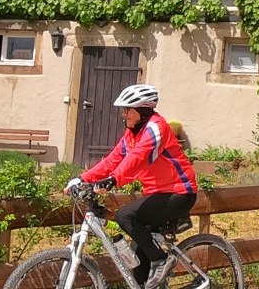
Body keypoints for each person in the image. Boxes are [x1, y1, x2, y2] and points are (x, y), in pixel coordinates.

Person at [65, 84, 198, 289]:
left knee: (124, 216)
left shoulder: (156, 128)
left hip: (179, 192)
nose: (123, 114)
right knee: (138, 267)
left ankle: (161, 260)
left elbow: (137, 159)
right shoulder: (132, 133)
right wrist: (83, 178)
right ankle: (153, 267)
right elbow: (113, 160)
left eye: (127, 109)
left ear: (142, 110)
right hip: (157, 194)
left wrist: (113, 180)